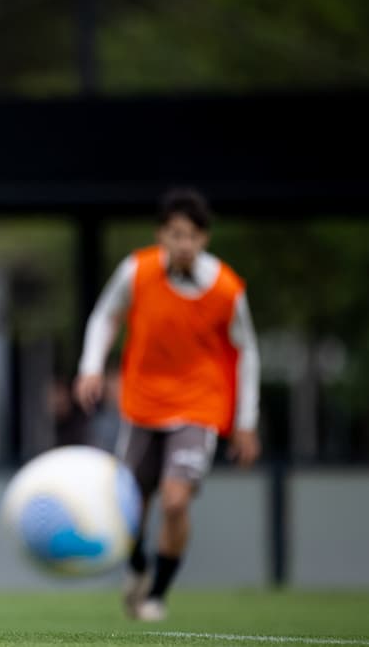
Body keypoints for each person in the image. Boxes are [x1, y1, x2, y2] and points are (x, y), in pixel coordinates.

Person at [72, 187, 260, 622]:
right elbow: (105, 316)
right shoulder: (137, 271)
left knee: (176, 500)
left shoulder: (227, 290)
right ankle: (136, 566)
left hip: (198, 406)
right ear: (162, 236)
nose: (184, 244)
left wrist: (246, 421)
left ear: (204, 239)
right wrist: (91, 367)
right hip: (141, 404)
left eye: (192, 236)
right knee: (129, 504)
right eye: (176, 234)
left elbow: (247, 351)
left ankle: (155, 595)